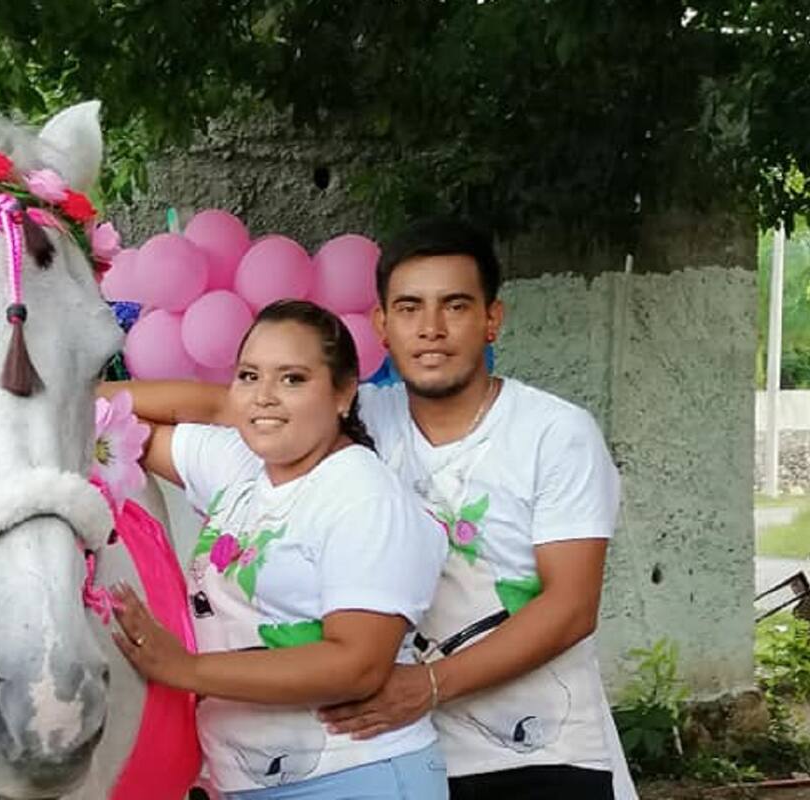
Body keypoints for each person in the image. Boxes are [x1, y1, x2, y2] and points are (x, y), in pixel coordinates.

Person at [111, 217, 636, 800]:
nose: (431, 329)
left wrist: (432, 684)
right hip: (392, 741)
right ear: (382, 326)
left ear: (492, 319)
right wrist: (58, 403)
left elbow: (570, 606)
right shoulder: (361, 419)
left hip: (534, 747)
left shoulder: (554, 433)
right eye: (409, 308)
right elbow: (221, 404)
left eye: (455, 306)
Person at [107, 299, 448, 799]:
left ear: (344, 393)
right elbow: (116, 426)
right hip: (247, 780)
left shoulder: (362, 495)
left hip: (354, 776)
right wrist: (56, 398)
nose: (264, 397)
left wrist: (187, 669)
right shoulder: (240, 466)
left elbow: (357, 664)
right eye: (249, 377)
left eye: (292, 379)